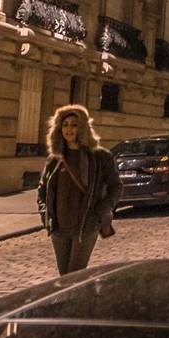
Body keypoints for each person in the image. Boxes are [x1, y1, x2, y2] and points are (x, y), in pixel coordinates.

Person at [37, 104, 121, 276]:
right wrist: (45, 214)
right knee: (64, 274)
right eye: (65, 124)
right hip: (59, 228)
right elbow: (42, 190)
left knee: (75, 274)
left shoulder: (100, 157)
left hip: (86, 225)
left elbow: (116, 187)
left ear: (82, 127)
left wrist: (100, 211)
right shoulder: (55, 159)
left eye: (74, 124)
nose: (69, 129)